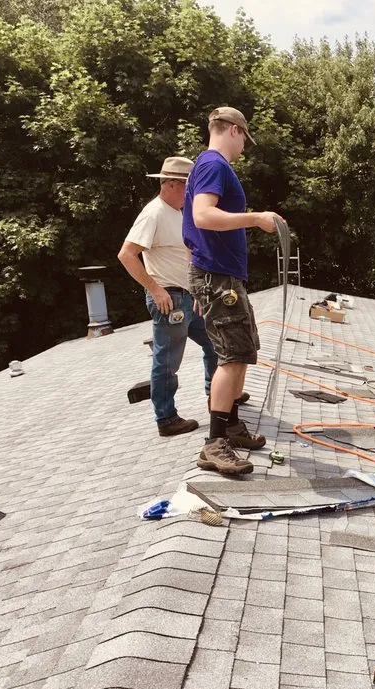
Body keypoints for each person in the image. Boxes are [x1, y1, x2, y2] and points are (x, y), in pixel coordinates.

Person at [184, 106, 283, 475]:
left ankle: (232, 426)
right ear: (234, 131)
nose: (245, 147)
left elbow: (193, 233)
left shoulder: (210, 166)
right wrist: (256, 219)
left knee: (241, 350)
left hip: (218, 276)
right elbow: (202, 217)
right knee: (230, 356)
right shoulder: (213, 165)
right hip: (217, 278)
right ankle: (214, 443)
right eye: (245, 139)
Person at [118, 156, 218, 437]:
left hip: (189, 296)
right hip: (170, 299)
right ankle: (166, 419)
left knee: (215, 343)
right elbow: (126, 255)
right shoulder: (154, 214)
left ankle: (217, 398)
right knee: (167, 362)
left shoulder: (179, 212)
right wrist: (155, 289)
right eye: (190, 187)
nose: (194, 193)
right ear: (171, 185)